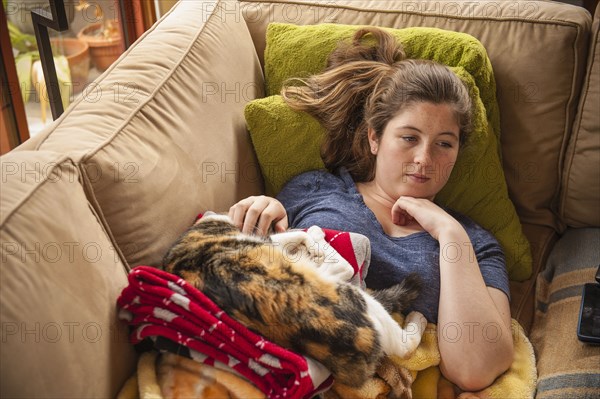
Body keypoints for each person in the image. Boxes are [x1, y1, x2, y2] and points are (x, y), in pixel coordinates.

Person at [229, 27, 513, 391]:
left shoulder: (476, 244)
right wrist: (261, 210)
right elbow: (258, 261)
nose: (424, 159)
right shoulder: (316, 189)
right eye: (409, 138)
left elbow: (474, 368)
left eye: (445, 144)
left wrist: (449, 232)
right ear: (375, 137)